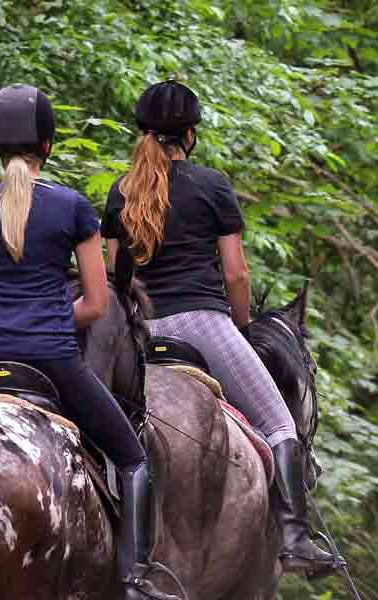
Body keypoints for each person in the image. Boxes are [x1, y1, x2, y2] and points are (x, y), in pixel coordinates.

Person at [0, 84, 176, 600]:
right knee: (133, 459)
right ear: (48, 145)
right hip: (53, 360)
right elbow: (95, 303)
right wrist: (45, 317)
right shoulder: (71, 208)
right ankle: (134, 580)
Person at [101, 80, 341, 575]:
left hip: (141, 332)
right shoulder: (211, 185)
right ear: (189, 134)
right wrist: (241, 324)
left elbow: (115, 278)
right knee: (278, 422)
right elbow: (236, 273)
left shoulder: (121, 190)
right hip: (202, 322)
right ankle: (295, 538)